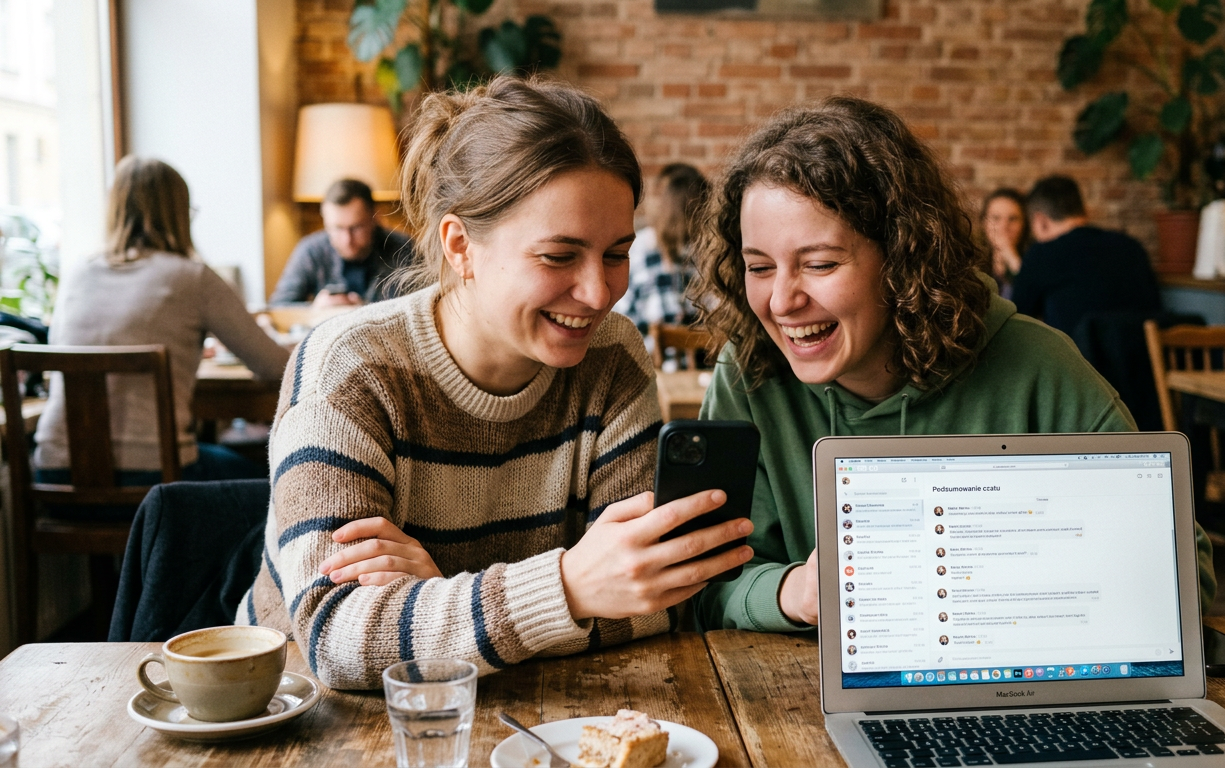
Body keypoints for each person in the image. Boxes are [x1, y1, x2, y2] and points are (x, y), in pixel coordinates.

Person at [235, 77, 750, 690]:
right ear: (461, 246)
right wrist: (570, 587)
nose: (599, 292)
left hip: (532, 708)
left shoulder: (613, 357)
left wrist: (431, 595)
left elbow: (655, 597)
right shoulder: (348, 367)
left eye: (616, 253)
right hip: (306, 715)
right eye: (559, 256)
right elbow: (337, 640)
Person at [688, 97, 1215, 633]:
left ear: (902, 257)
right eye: (759, 266)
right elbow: (698, 586)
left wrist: (998, 583)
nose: (780, 302)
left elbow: (1182, 572)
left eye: (820, 264)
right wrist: (792, 592)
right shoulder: (749, 371)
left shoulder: (1036, 365)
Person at [33, 156, 290, 497]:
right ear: (179, 213)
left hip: (55, 475)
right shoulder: (192, 277)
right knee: (274, 483)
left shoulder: (77, 274)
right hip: (155, 485)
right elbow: (275, 366)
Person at [1009, 175, 1160, 336]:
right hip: (1143, 358)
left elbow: (1017, 321)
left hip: (1076, 359)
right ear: (1083, 211)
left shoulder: (1042, 253)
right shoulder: (1131, 246)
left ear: (1041, 220)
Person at [269, 179, 415, 306]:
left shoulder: (404, 250)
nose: (347, 240)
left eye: (356, 227)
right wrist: (314, 309)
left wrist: (363, 310)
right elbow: (280, 306)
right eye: (338, 228)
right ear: (325, 221)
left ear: (375, 217)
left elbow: (421, 306)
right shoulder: (311, 250)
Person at [612, 164, 710, 335]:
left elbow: (621, 314)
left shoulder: (640, 247)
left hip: (648, 357)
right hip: (706, 357)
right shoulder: (711, 250)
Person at [980, 188, 1029, 299]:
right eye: (996, 218)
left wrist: (1012, 258)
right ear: (984, 222)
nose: (1004, 227)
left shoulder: (1035, 260)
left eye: (1012, 219)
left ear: (1025, 224)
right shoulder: (971, 262)